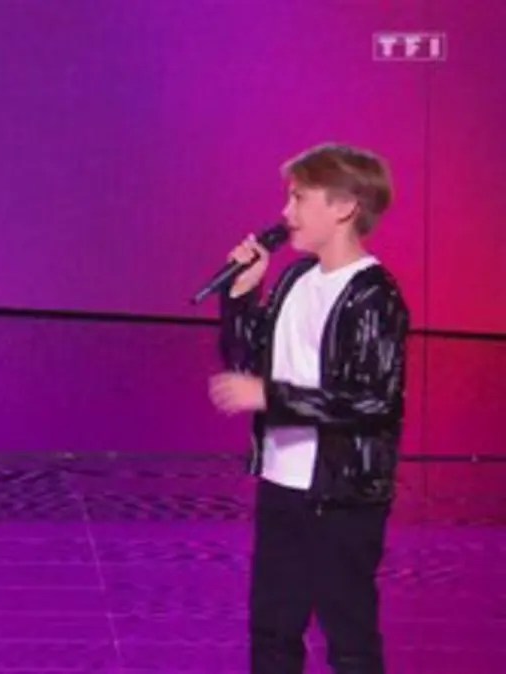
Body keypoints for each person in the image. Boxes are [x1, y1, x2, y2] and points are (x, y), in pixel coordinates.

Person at [209, 143, 409, 674]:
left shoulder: (374, 295)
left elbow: (373, 399)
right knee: (273, 630)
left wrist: (271, 397)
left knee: (349, 639)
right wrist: (241, 297)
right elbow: (247, 359)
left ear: (344, 207)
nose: (286, 211)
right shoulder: (296, 279)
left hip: (341, 496)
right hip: (282, 483)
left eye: (299, 198)